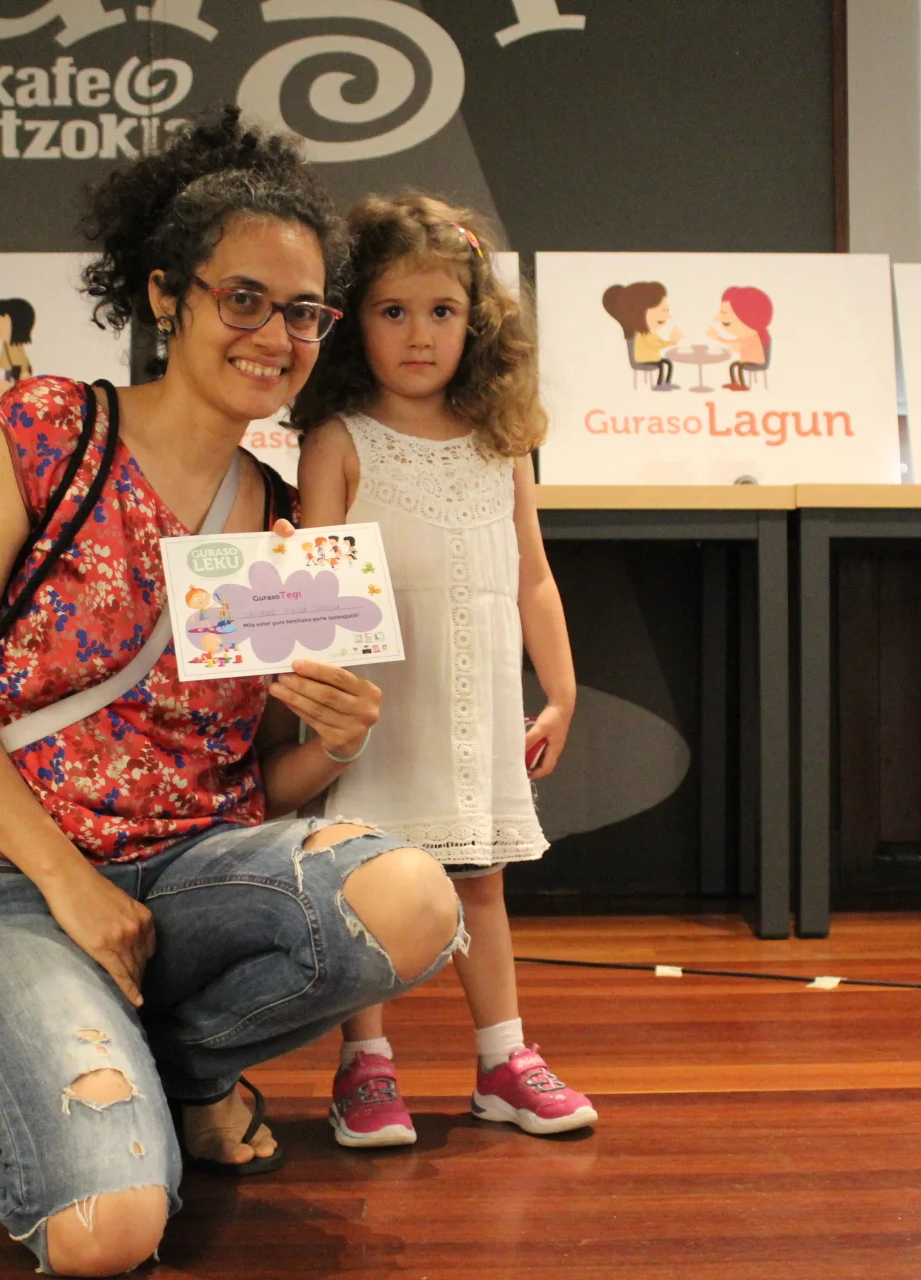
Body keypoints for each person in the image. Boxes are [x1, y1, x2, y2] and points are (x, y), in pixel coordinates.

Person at [0, 110, 463, 1277]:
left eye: (305, 312)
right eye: (244, 298)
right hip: (4, 869)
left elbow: (254, 782)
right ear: (164, 296)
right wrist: (73, 886)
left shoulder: (281, 514)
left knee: (413, 901)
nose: (276, 335)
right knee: (109, 1230)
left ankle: (169, 1070)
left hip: (189, 873)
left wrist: (335, 742)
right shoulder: (50, 429)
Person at [290, 195, 596, 1147]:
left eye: (442, 312)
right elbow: (313, 590)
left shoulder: (502, 448)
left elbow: (533, 577)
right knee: (365, 884)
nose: (419, 335)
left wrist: (561, 691)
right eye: (394, 311)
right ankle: (366, 1064)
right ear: (355, 321)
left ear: (478, 323)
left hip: (475, 717)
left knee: (483, 883)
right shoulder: (338, 442)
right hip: (379, 717)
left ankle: (505, 1060)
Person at [601, 281, 682, 390]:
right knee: (662, 365)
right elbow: (654, 345)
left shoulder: (650, 333)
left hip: (653, 359)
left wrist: (672, 341)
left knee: (667, 363)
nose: (668, 316)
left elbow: (659, 341)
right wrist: (670, 342)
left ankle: (666, 383)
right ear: (640, 313)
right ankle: (659, 385)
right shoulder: (641, 335)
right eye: (663, 311)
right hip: (642, 361)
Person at [711, 285, 771, 390]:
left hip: (757, 363)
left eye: (725, 313)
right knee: (733, 365)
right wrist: (717, 337)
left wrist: (739, 348)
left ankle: (743, 385)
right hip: (747, 361)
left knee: (739, 366)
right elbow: (733, 341)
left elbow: (750, 347)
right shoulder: (745, 336)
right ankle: (734, 383)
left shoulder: (755, 337)